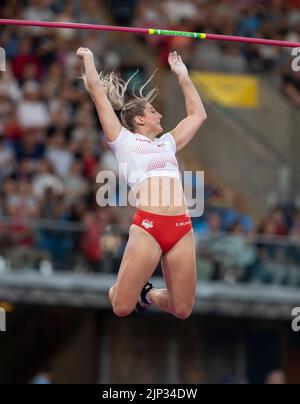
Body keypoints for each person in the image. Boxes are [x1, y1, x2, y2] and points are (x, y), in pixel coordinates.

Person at [76, 47, 207, 319]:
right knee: (121, 307)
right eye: (153, 111)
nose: (159, 116)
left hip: (181, 225)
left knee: (182, 309)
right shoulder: (123, 141)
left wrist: (183, 76)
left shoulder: (167, 143)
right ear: (139, 119)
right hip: (149, 225)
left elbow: (197, 116)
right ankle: (124, 290)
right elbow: (97, 92)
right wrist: (88, 57)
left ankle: (146, 294)